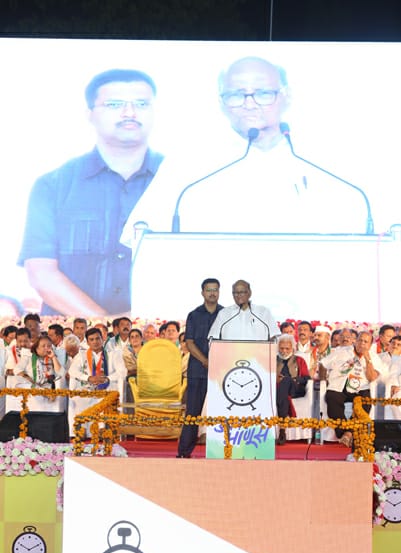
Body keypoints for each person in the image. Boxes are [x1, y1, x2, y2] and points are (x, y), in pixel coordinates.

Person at [120, 56, 368, 238]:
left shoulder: (323, 160)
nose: (250, 104)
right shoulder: (190, 163)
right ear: (221, 103)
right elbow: (143, 235)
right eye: (237, 95)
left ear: (286, 96)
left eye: (263, 93)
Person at [18, 68, 164, 316]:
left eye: (141, 104)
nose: (130, 113)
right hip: (69, 335)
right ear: (90, 114)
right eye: (115, 104)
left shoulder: (183, 183)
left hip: (162, 335)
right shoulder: (53, 185)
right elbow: (42, 274)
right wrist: (109, 328)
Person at [177, 278, 223, 458]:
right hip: (197, 371)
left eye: (215, 290)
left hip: (221, 371)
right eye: (209, 290)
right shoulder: (194, 315)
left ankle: (223, 451)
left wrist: (217, 362)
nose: (212, 293)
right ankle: (183, 452)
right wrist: (205, 361)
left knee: (223, 412)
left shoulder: (226, 314)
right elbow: (189, 342)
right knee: (192, 413)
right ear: (202, 292)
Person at [320, 331, 383, 447]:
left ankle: (347, 433)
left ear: (370, 345)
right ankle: (347, 433)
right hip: (339, 386)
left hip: (360, 388)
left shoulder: (374, 357)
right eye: (360, 340)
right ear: (355, 340)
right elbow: (323, 364)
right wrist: (323, 380)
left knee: (365, 403)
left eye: (365, 342)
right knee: (332, 398)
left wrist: (368, 360)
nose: (362, 344)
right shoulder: (341, 351)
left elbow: (372, 378)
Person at [208, 279, 279, 341]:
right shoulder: (223, 313)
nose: (238, 295)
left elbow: (275, 336)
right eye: (235, 293)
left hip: (259, 352)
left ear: (249, 293)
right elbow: (213, 338)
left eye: (242, 292)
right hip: (230, 352)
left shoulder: (263, 312)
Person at [276, 334, 310, 445]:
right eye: (281, 348)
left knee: (286, 381)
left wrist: (293, 379)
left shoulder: (299, 360)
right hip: (278, 390)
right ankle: (282, 430)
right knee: (283, 392)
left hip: (296, 388)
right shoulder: (273, 360)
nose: (284, 351)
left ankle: (282, 426)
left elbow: (306, 378)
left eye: (287, 348)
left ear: (292, 348)